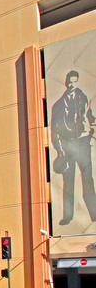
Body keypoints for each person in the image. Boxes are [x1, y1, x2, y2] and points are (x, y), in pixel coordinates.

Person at [51, 70, 96, 225]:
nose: (71, 84)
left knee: (87, 179)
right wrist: (61, 152)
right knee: (68, 183)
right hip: (67, 146)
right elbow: (54, 131)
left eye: (74, 81)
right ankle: (67, 217)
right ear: (65, 82)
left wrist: (91, 134)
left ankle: (94, 214)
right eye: (69, 81)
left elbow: (92, 117)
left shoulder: (85, 98)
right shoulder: (57, 106)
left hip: (83, 143)